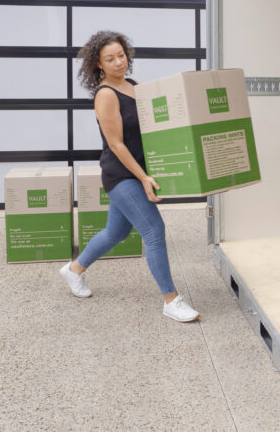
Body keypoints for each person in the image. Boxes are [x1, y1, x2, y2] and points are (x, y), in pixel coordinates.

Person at [59, 30, 200, 322]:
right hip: (121, 174)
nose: (118, 62)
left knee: (117, 233)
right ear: (98, 64)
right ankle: (171, 300)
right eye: (109, 59)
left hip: (139, 169)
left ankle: (73, 270)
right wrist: (144, 178)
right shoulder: (106, 95)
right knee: (153, 231)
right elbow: (116, 144)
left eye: (121, 55)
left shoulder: (133, 86)